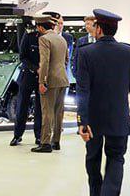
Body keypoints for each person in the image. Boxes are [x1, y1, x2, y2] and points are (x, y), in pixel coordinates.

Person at [75, 9, 130, 196]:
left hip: (93, 117)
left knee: (92, 156)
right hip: (118, 116)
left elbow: (83, 90)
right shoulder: (128, 52)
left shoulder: (86, 53)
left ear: (98, 29)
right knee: (116, 158)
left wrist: (82, 120)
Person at [31, 14, 69, 153]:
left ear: (40, 27)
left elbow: (44, 62)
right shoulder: (62, 39)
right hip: (63, 79)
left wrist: (42, 81)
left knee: (47, 112)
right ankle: (56, 141)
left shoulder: (44, 39)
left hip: (50, 81)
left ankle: (45, 143)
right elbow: (66, 60)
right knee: (59, 112)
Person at [10, 18, 43, 146]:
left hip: (42, 77)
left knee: (40, 108)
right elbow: (23, 57)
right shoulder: (29, 36)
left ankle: (39, 136)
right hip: (27, 76)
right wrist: (35, 68)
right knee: (22, 106)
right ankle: (17, 135)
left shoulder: (47, 38)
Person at [70, 14, 96, 82]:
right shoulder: (81, 40)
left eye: (88, 24)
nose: (86, 26)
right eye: (85, 24)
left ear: (95, 25)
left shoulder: (100, 40)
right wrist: (75, 74)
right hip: (83, 76)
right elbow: (76, 57)